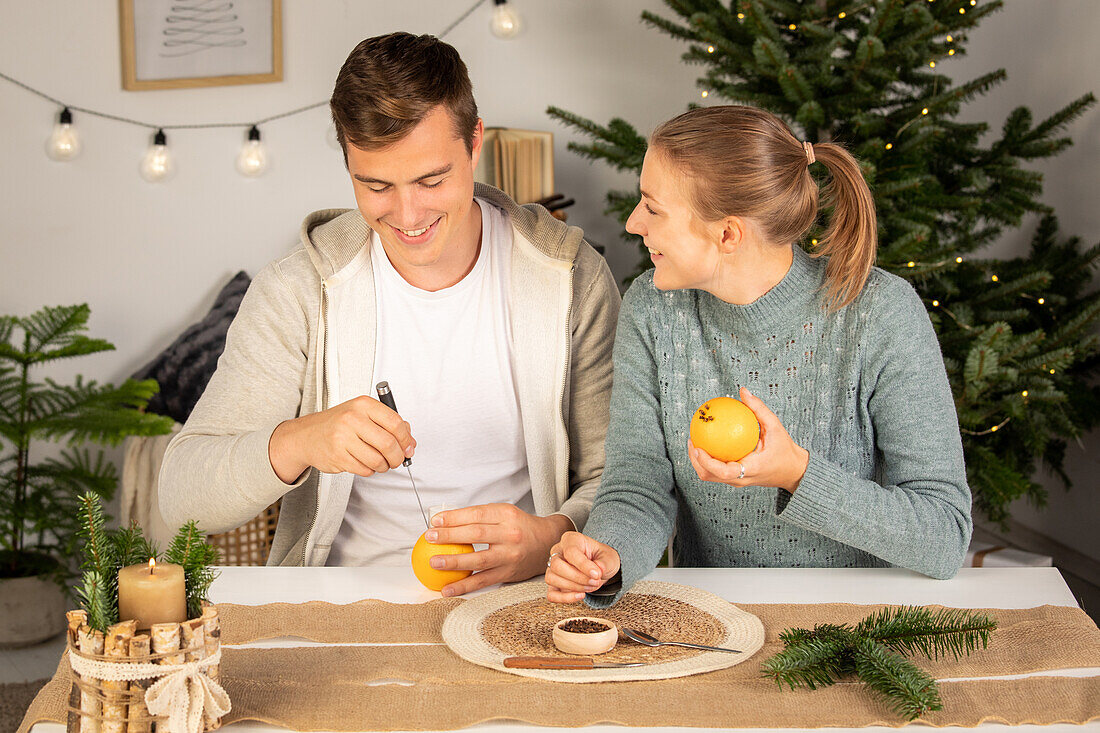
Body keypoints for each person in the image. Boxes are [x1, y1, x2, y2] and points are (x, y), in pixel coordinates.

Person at [159, 32, 620, 597]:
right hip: (343, 610)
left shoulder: (571, 278)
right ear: (348, 160)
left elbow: (622, 480)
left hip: (531, 602)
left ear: (474, 142)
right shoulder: (297, 290)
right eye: (375, 185)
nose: (407, 214)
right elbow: (183, 496)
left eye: (432, 180)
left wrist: (550, 536)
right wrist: (299, 441)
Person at [544, 105, 972, 606]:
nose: (634, 222)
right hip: (715, 620)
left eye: (653, 208)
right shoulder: (653, 308)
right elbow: (637, 486)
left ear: (728, 234)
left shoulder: (880, 313)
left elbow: (944, 534)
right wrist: (608, 556)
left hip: (860, 626)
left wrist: (796, 473)